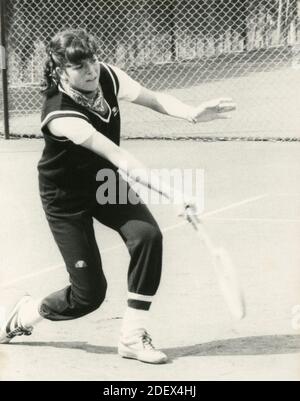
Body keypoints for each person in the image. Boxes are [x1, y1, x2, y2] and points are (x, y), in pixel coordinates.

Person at [0, 29, 235, 364]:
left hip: (102, 183)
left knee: (147, 236)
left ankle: (133, 336)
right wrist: (173, 192)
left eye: (93, 60)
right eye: (79, 66)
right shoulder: (60, 114)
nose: (91, 70)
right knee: (88, 296)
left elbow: (153, 98)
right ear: (60, 70)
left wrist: (191, 112)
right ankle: (24, 316)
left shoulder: (108, 76)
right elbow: (120, 158)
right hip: (65, 199)